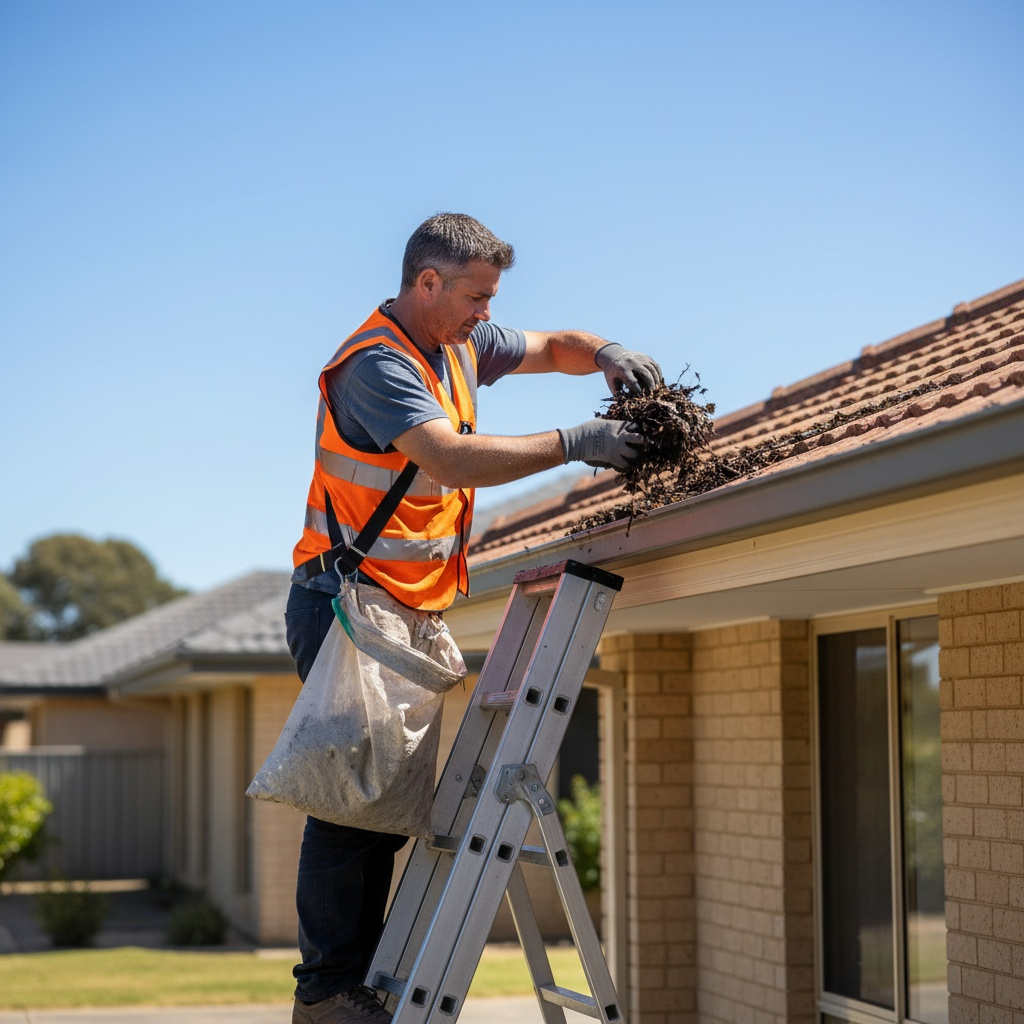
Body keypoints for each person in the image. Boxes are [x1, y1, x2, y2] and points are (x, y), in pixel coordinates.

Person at [286, 212, 662, 1024]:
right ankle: (324, 994)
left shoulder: (460, 342)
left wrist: (604, 353)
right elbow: (449, 458)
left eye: (493, 297)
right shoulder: (375, 364)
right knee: (349, 806)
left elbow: (553, 344)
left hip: (399, 607)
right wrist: (575, 439)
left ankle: (356, 980)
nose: (487, 313)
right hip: (345, 604)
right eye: (476, 295)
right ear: (427, 282)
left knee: (381, 808)